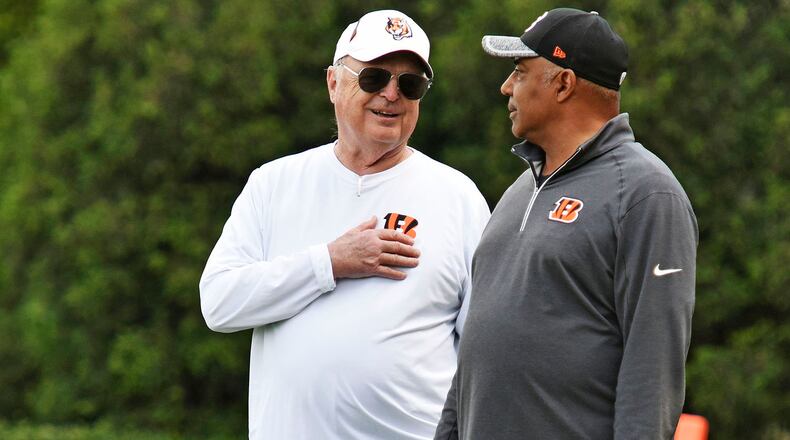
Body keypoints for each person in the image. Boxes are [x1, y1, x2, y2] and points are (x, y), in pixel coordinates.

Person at [199, 9, 490, 439]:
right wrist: (329, 262)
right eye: (374, 78)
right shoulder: (274, 183)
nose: (391, 95)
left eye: (410, 84)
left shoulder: (458, 197)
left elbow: (484, 352)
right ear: (334, 83)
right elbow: (220, 303)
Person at [435, 8, 698, 440]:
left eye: (519, 72)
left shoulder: (646, 195)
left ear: (563, 83)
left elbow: (653, 373)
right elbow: (478, 352)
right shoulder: (520, 189)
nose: (505, 87)